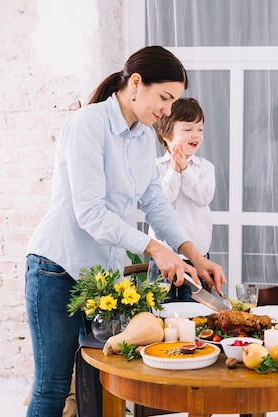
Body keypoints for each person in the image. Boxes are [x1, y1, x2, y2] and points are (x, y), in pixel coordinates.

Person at [24, 45, 226, 417]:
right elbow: (90, 213)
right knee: (53, 388)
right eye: (164, 98)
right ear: (136, 83)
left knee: (102, 382)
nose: (167, 110)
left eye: (173, 101)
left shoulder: (141, 135)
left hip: (100, 278)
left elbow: (156, 202)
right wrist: (154, 248)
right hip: (57, 269)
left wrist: (193, 255)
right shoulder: (89, 125)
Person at [149, 97, 216, 301]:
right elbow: (160, 201)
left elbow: (203, 196)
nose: (195, 135)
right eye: (188, 129)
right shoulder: (156, 167)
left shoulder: (205, 167)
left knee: (197, 314)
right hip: (164, 259)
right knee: (160, 312)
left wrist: (185, 169)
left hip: (198, 257)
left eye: (200, 129)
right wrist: (174, 171)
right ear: (166, 135)